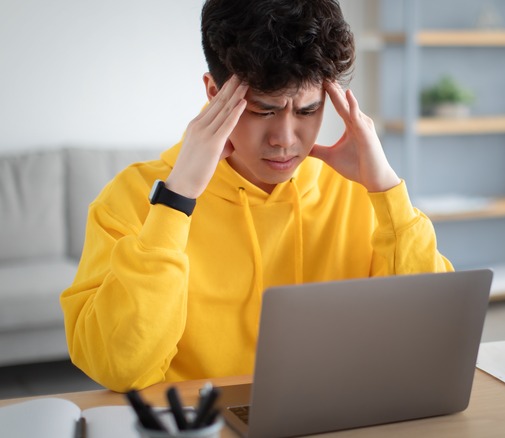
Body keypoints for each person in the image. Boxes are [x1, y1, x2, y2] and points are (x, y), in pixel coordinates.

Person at [60, 0, 452, 392]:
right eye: (263, 111)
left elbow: (435, 334)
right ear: (215, 93)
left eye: (307, 111)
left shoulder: (360, 193)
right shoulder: (132, 198)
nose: (284, 139)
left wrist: (386, 190)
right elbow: (116, 367)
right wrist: (176, 202)